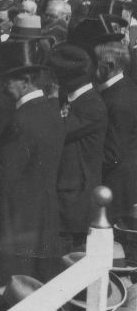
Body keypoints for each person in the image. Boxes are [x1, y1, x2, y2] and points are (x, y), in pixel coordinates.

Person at [0, 39, 64, 282]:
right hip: (46, 216)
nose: (3, 87)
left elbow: (4, 172)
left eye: (7, 80)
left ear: (24, 81)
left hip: (19, 221)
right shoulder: (51, 111)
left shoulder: (21, 120)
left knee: (16, 284)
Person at [49, 44, 107, 251]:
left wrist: (51, 99)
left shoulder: (91, 106)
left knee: (69, 258)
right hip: (64, 195)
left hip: (75, 200)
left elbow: (56, 131)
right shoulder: (71, 100)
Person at [94, 41, 137, 221]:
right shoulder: (124, 88)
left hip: (117, 188)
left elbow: (112, 153)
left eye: (95, 62)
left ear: (110, 66)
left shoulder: (119, 100)